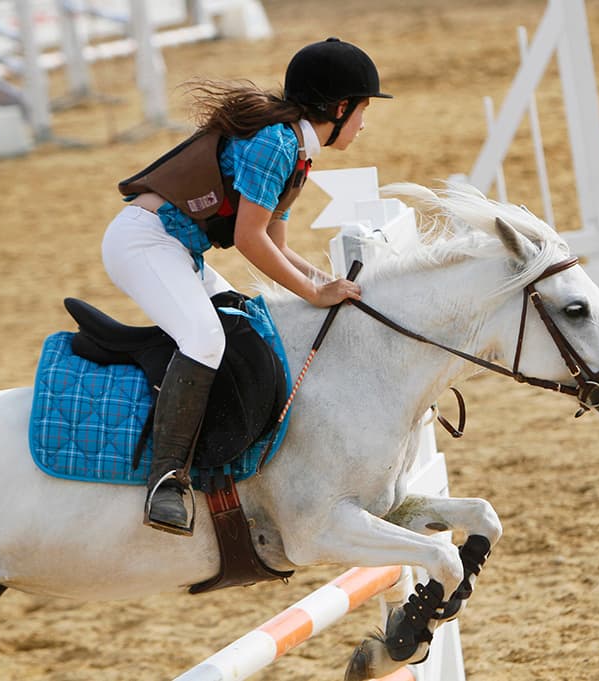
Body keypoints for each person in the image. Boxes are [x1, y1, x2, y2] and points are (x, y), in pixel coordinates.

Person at [102, 37, 392, 536]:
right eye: (364, 108)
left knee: (241, 323)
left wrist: (329, 283)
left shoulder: (297, 151)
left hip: (177, 249)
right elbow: (249, 241)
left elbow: (276, 242)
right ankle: (166, 480)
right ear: (340, 108)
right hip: (144, 243)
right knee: (205, 338)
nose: (365, 121)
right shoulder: (275, 144)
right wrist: (311, 293)